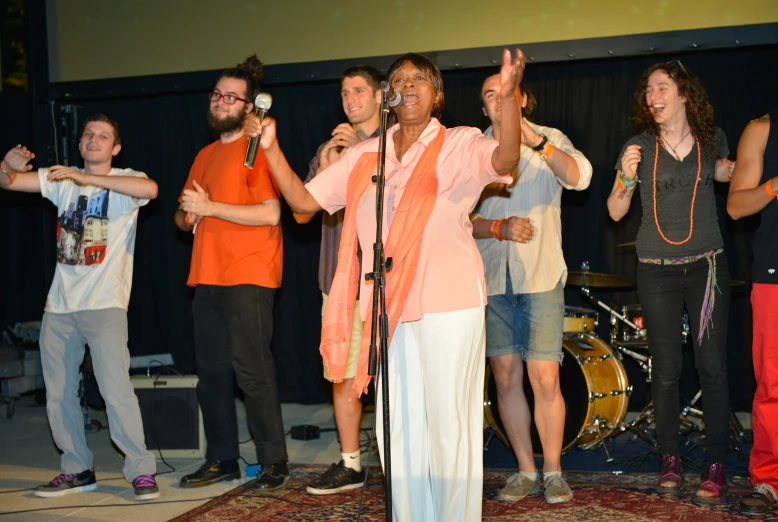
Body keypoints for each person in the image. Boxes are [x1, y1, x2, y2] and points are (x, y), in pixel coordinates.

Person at [245, 48, 526, 521]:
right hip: (386, 307)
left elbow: (508, 154)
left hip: (448, 303)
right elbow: (302, 202)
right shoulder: (364, 155)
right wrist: (271, 147)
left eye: (421, 78)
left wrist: (511, 97)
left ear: (436, 95)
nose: (409, 85)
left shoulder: (457, 143)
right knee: (400, 429)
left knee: (446, 426)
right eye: (401, 79)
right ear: (389, 96)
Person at [0, 115, 160, 501]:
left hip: (105, 303)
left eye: (103, 136)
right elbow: (7, 181)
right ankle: (77, 468)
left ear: (115, 148)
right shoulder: (64, 180)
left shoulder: (124, 179)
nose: (93, 139)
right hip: (59, 306)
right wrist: (6, 163)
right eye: (88, 134)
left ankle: (140, 469)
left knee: (115, 389)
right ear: (80, 142)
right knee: (58, 393)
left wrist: (90, 180)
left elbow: (151, 189)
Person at [607, 60, 734, 504]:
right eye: (648, 90)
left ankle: (716, 464)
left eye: (661, 88)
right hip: (656, 270)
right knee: (665, 371)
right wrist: (625, 174)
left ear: (683, 94)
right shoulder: (639, 146)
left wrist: (747, 169)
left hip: (707, 267)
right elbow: (615, 212)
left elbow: (721, 172)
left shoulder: (711, 140)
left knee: (712, 366)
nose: (652, 96)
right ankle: (670, 459)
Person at [472, 74, 592, 503]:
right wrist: (496, 227)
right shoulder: (472, 148)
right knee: (505, 379)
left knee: (545, 378)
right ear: (484, 107)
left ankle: (554, 471)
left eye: (505, 94)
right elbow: (453, 216)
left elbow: (581, 178)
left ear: (522, 99)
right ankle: (524, 470)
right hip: (490, 278)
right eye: (489, 96)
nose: (498, 102)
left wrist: (537, 143)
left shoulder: (551, 138)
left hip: (540, 276)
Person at [174, 55, 288, 491]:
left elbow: (271, 213)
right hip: (207, 276)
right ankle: (222, 458)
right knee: (212, 375)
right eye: (216, 95)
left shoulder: (256, 148)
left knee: (253, 371)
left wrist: (209, 208)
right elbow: (183, 218)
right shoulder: (204, 155)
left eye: (231, 97)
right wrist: (190, 217)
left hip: (249, 274)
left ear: (248, 105)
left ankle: (274, 460)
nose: (221, 102)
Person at [296, 65, 383, 495]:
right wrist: (329, 163)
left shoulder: (397, 145)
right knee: (343, 373)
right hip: (340, 278)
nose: (350, 99)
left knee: (396, 374)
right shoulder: (328, 149)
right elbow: (304, 209)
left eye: (359, 91)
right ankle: (351, 464)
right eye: (345, 92)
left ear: (380, 96)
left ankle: (404, 458)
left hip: (388, 279)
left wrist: (363, 149)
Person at [726, 60, 778, 515]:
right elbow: (737, 207)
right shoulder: (762, 130)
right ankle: (767, 481)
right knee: (773, 386)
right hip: (776, 276)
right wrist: (777, 183)